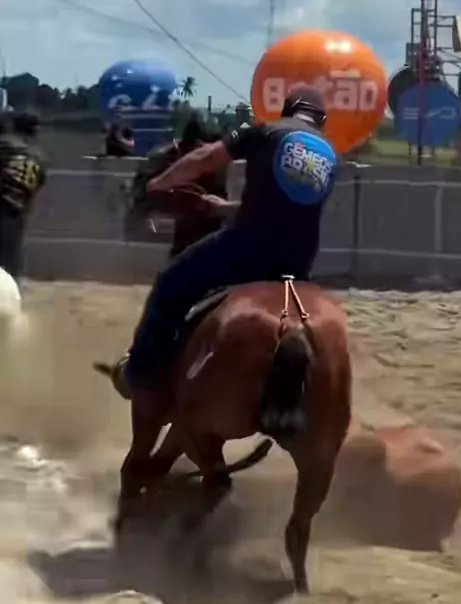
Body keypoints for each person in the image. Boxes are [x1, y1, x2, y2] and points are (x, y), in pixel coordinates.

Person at [110, 83, 338, 400]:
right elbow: (284, 208)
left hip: (248, 247)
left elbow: (204, 158)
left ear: (287, 110)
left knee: (170, 283)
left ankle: (140, 375)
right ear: (321, 120)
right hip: (299, 261)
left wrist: (157, 183)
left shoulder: (264, 132)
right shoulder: (330, 154)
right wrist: (223, 208)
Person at [128, 112, 228, 255]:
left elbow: (220, 204)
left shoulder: (219, 162)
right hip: (167, 225)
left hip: (205, 229)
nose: (204, 154)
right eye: (198, 148)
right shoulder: (162, 160)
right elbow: (138, 203)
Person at [0, 111, 47, 282]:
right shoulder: (39, 157)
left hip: (4, 206)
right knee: (9, 261)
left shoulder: (5, 146)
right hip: (17, 212)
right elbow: (39, 182)